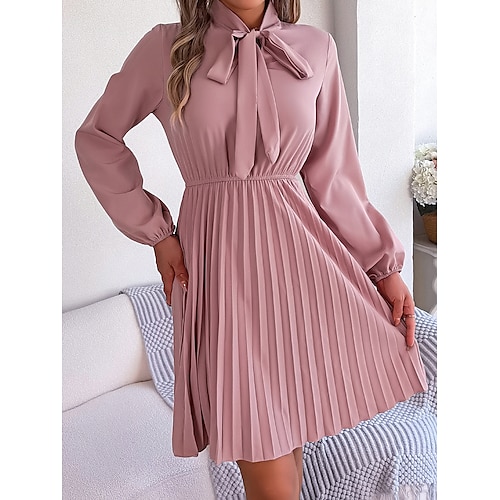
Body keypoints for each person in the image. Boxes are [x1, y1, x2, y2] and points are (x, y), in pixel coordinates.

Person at [74, 1, 428, 498]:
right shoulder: (166, 48)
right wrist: (157, 232)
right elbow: (97, 137)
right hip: (221, 274)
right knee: (267, 463)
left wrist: (383, 267)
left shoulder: (315, 49)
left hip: (301, 272)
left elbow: (334, 177)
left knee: (288, 435)